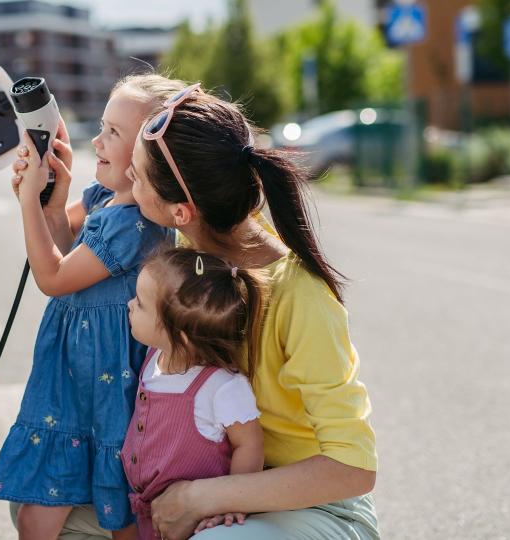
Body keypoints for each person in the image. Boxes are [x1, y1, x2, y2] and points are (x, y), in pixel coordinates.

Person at [123, 83, 380, 540]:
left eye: (138, 177)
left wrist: (207, 498)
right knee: (54, 511)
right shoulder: (197, 244)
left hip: (319, 508)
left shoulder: (302, 297)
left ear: (181, 211)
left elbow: (353, 468)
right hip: (224, 486)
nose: (129, 180)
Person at [0, 74, 183, 539]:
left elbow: (52, 277)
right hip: (75, 375)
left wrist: (26, 203)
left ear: (148, 158)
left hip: (102, 381)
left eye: (114, 134)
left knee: (112, 508)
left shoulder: (132, 220)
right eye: (102, 127)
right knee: (42, 512)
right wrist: (51, 198)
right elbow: (61, 243)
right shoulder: (104, 198)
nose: (96, 140)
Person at [122, 248, 265, 539]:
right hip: (148, 511)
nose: (129, 305)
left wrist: (233, 499)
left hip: (194, 521)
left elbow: (249, 445)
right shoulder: (153, 358)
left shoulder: (220, 387)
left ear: (180, 335)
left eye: (140, 303)